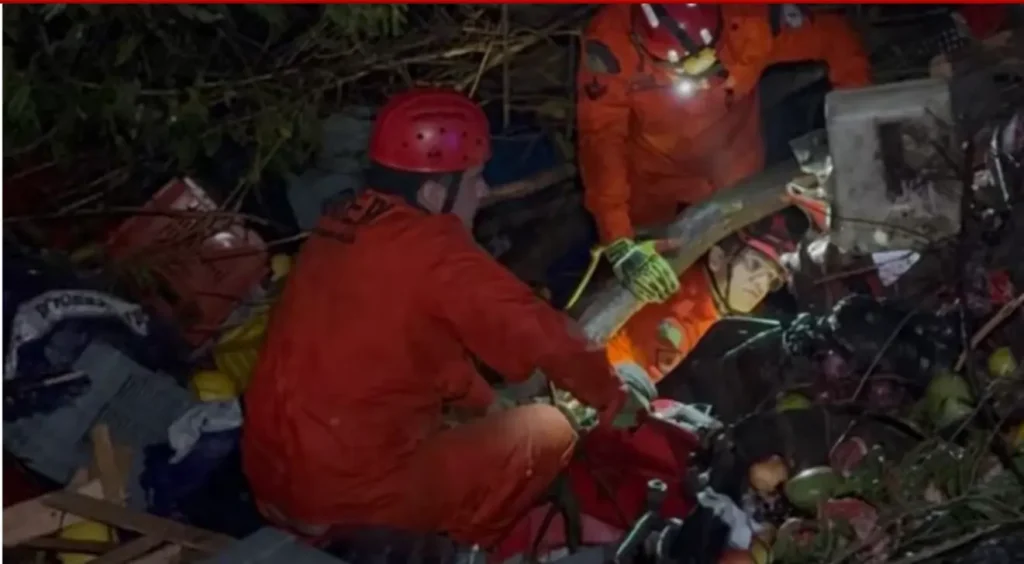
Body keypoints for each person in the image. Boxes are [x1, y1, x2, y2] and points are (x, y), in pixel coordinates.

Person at [242, 88, 649, 549]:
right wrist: (607, 392)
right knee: (549, 430)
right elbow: (539, 331)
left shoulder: (338, 228)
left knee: (468, 417)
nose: (483, 191)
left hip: (273, 484)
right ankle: (473, 548)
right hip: (352, 503)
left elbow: (420, 352)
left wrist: (485, 403)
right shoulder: (434, 249)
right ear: (434, 193)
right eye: (473, 179)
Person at [578, 4, 871, 305]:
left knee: (742, 264)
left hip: (735, 166)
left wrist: (855, 133)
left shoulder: (750, 21)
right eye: (684, 70)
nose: (701, 80)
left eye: (709, 62)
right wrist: (618, 238)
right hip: (652, 176)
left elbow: (835, 40)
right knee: (641, 273)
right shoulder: (611, 51)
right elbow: (601, 138)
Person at [606, 207, 818, 384]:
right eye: (753, 265)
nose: (760, 283)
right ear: (717, 258)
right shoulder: (676, 300)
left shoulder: (711, 312)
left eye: (770, 277)